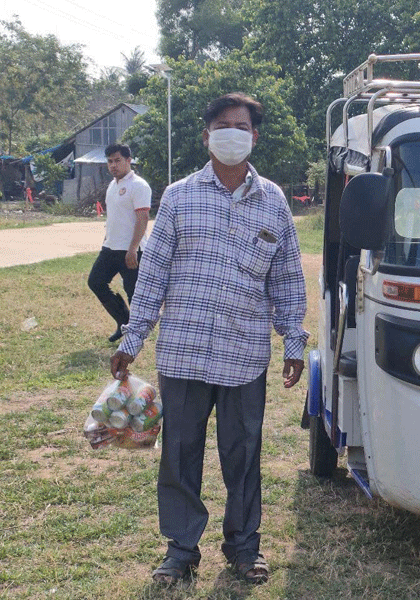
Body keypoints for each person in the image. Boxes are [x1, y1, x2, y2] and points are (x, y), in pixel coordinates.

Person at [110, 92, 308, 586]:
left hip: (244, 356)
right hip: (184, 353)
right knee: (180, 454)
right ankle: (181, 550)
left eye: (241, 126)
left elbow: (287, 278)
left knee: (243, 455)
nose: (231, 134)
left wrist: (293, 341)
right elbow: (153, 274)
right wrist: (133, 338)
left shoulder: (274, 201)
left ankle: (244, 547)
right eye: (222, 126)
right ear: (207, 136)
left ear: (254, 136)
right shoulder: (179, 196)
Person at [88, 143, 152, 342]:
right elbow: (114, 218)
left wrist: (133, 249)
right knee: (96, 282)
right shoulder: (112, 185)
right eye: (110, 161)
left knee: (134, 293)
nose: (113, 165)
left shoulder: (138, 185)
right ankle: (124, 321)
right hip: (110, 247)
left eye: (117, 160)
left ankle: (137, 334)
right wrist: (106, 240)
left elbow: (142, 218)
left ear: (128, 160)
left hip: (131, 250)